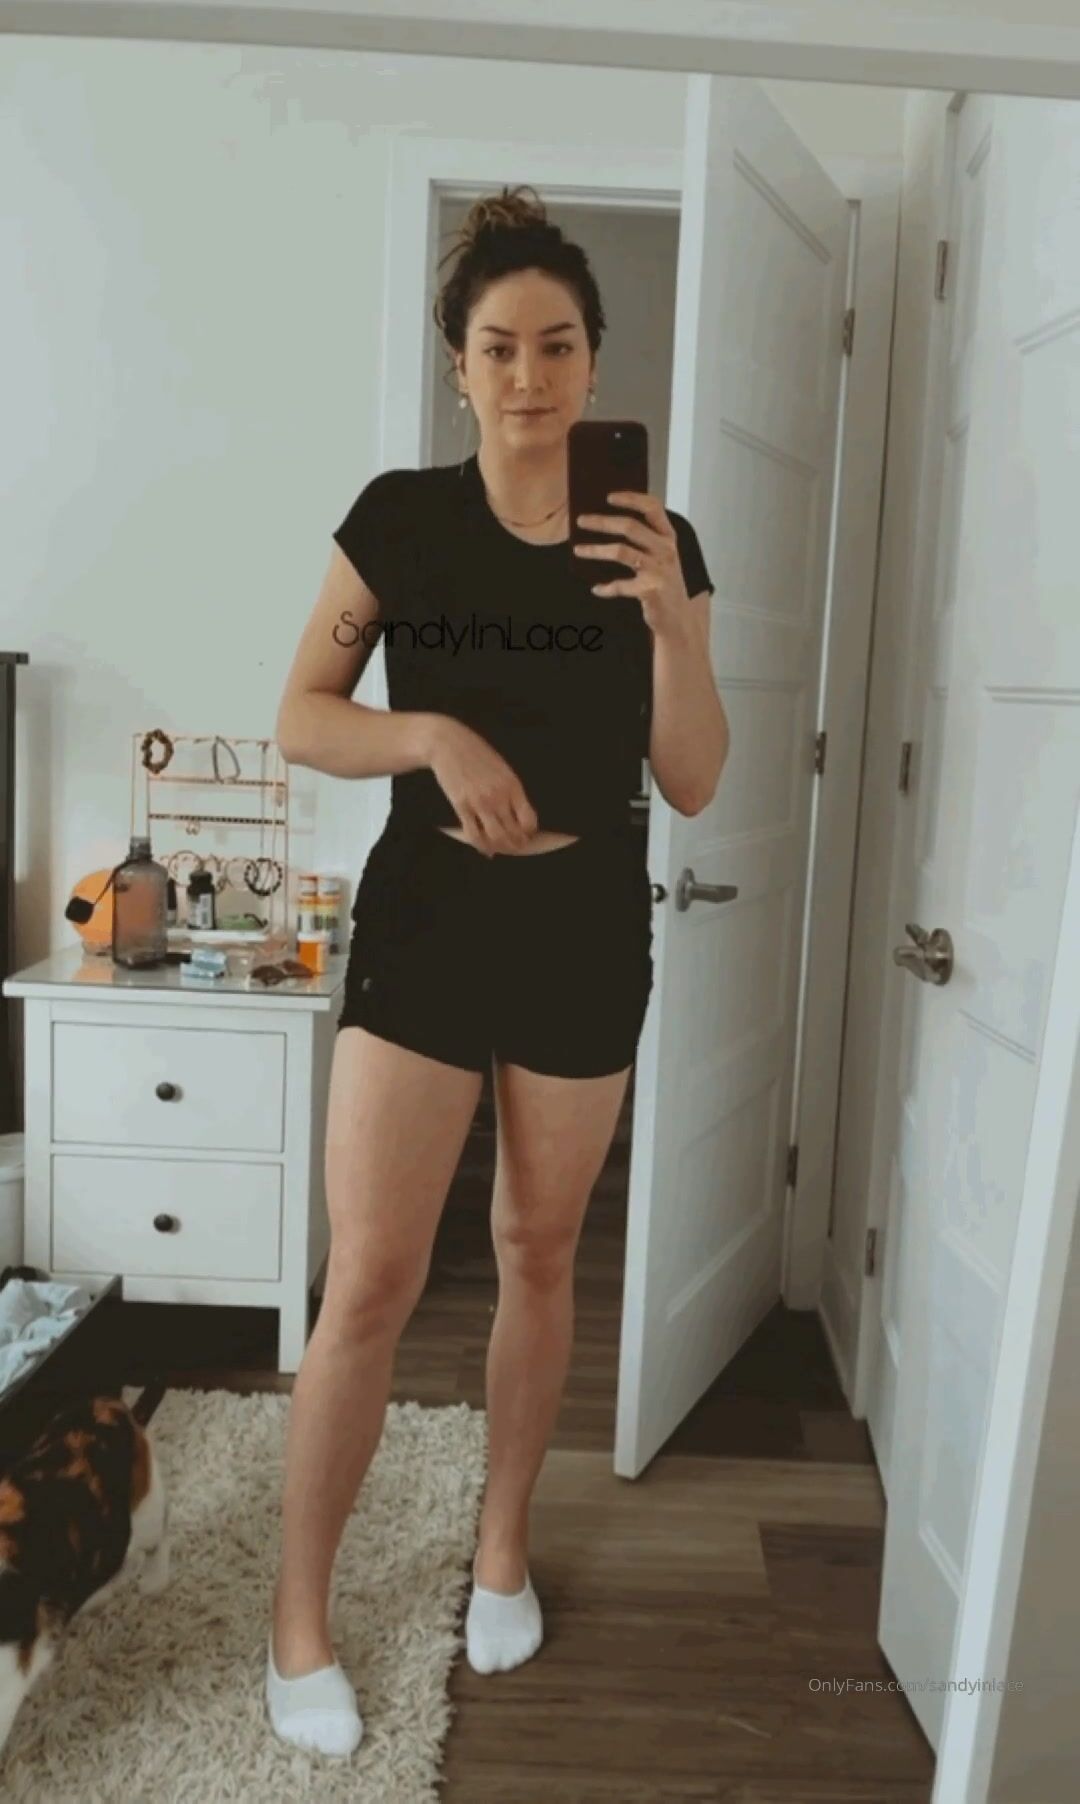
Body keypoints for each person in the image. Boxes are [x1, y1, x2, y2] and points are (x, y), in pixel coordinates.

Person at [265, 184, 730, 1757]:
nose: (530, 374)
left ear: (596, 361)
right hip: (429, 919)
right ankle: (299, 1619)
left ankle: (503, 1550)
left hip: (587, 923)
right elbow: (303, 717)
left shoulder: (658, 540)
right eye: (499, 347)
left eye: (558, 345)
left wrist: (673, 629)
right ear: (457, 367)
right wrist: (430, 733)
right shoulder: (400, 519)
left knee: (540, 1251)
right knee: (372, 1279)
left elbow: (695, 780)